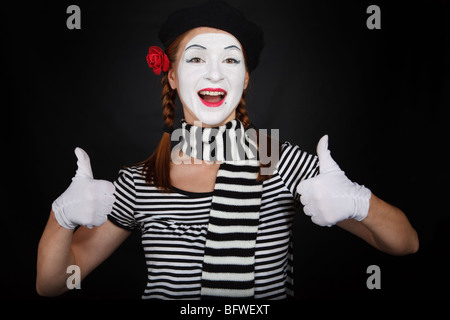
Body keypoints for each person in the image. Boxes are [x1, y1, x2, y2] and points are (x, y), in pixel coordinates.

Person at [36, 1, 418, 299]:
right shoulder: (142, 179)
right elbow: (53, 284)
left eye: (230, 60)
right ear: (172, 74)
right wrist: (61, 218)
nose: (214, 73)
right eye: (197, 58)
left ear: (245, 77)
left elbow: (405, 243)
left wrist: (360, 202)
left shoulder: (274, 158)